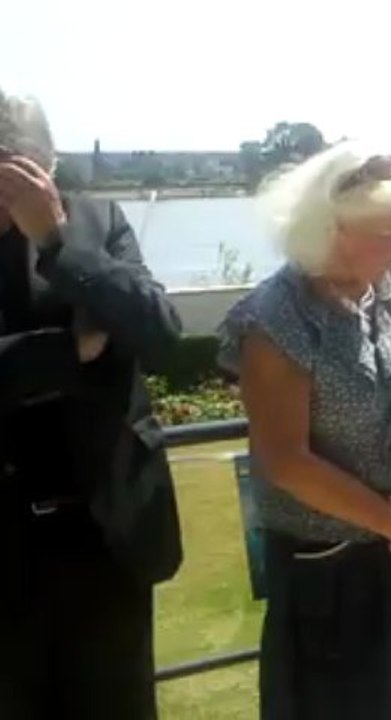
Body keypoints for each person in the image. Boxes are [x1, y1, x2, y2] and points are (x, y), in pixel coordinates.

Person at [218, 142, 391, 719]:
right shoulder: (277, 318)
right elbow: (287, 461)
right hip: (332, 568)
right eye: (387, 234)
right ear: (330, 226)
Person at [0, 90, 183, 719]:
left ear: (47, 168)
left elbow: (160, 334)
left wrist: (57, 242)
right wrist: (68, 351)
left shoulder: (95, 224)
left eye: (19, 172)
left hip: (106, 531)